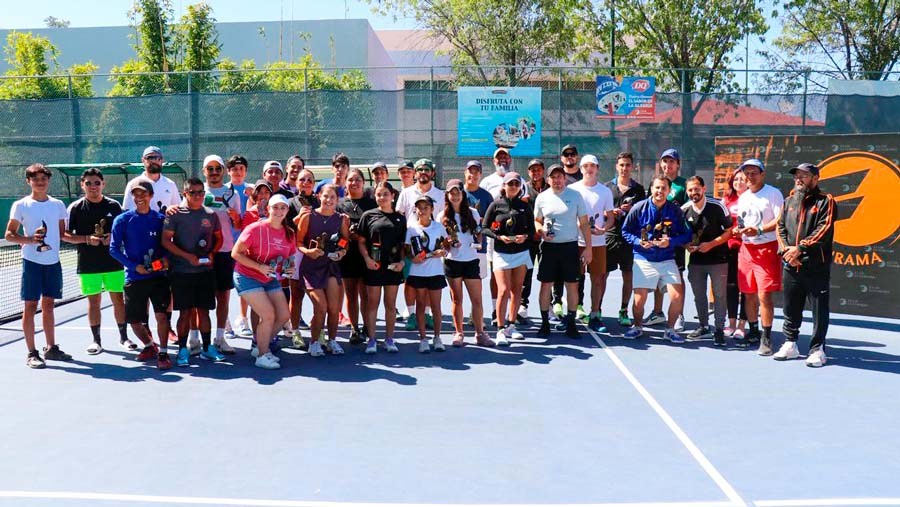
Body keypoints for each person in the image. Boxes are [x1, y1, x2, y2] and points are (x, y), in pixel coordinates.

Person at [6, 164, 72, 368]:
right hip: (31, 262)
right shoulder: (21, 205)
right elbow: (9, 235)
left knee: (49, 305)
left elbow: (62, 234)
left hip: (53, 262)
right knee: (30, 306)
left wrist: (89, 239)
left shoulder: (58, 205)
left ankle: (51, 348)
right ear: (29, 181)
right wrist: (30, 240)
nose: (40, 182)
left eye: (43, 178)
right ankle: (32, 352)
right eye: (35, 179)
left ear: (48, 180)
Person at [63, 168, 132, 354]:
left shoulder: (114, 206)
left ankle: (124, 338)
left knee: (118, 300)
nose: (93, 186)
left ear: (103, 184)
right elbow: (65, 235)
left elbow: (125, 231)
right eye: (88, 183)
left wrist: (113, 238)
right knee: (94, 302)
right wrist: (87, 239)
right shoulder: (75, 208)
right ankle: (96, 341)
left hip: (113, 263)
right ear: (82, 185)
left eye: (96, 183)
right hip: (88, 264)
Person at [775, 163, 835, 367]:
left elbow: (824, 228)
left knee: (819, 310)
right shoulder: (788, 201)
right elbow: (780, 228)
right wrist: (787, 251)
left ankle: (818, 349)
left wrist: (800, 248)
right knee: (790, 307)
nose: (799, 179)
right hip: (791, 265)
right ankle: (790, 344)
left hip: (816, 267)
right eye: (797, 176)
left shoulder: (826, 201)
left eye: (804, 176)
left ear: (815, 179)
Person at [109, 178, 173, 370]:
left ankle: (163, 352)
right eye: (136, 194)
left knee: (162, 316)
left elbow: (169, 246)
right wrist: (134, 266)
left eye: (143, 193)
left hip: (158, 278)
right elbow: (114, 249)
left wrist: (164, 260)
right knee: (134, 320)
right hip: (134, 277)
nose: (139, 197)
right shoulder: (122, 220)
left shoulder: (161, 220)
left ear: (151, 195)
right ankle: (149, 345)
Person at [162, 177, 225, 367]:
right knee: (185, 313)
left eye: (200, 192)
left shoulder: (211, 214)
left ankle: (207, 348)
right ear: (185, 194)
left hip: (205, 272)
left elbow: (219, 239)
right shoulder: (175, 214)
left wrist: (212, 253)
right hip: (181, 272)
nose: (197, 196)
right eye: (193, 192)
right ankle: (183, 350)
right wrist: (187, 256)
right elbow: (165, 241)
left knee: (204, 312)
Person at [620, 176, 692, 342]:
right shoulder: (639, 208)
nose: (660, 191)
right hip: (643, 258)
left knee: (677, 296)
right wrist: (638, 241)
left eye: (664, 188)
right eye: (657, 187)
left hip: (667, 259)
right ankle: (637, 326)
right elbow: (625, 231)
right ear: (651, 189)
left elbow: (687, 234)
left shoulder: (675, 210)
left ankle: (670, 329)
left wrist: (670, 242)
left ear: (669, 191)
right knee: (639, 299)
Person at [231, 194, 297, 369]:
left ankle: (259, 344)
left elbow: (290, 257)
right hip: (247, 276)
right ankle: (262, 355)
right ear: (268, 209)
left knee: (283, 315)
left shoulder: (289, 233)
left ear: (287, 211)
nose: (279, 211)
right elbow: (236, 253)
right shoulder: (255, 228)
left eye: (283, 208)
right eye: (275, 207)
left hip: (270, 278)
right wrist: (259, 267)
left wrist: (290, 268)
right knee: (268, 315)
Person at [733, 158, 784, 355]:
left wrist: (759, 230)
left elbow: (780, 221)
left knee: (764, 295)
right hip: (746, 250)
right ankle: (754, 332)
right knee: (748, 293)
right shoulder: (744, 196)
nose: (750, 177)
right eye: (747, 173)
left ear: (762, 174)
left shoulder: (773, 193)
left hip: (767, 249)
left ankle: (767, 337)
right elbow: (743, 222)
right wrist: (739, 231)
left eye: (754, 173)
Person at [533, 164, 590, 339]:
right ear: (548, 179)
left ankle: (571, 324)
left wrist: (588, 248)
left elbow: (584, 223)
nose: (556, 180)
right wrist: (541, 230)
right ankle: (545, 324)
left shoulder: (576, 196)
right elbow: (537, 220)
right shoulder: (542, 197)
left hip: (570, 247)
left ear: (564, 178)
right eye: (553, 177)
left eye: (559, 176)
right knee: (545, 285)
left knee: (572, 285)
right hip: (549, 248)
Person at [296, 184, 349, 357]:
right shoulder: (308, 217)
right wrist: (308, 251)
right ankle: (314, 343)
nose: (329, 200)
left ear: (337, 199)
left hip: (331, 267)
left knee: (334, 308)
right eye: (325, 196)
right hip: (311, 269)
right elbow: (299, 242)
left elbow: (344, 241)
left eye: (332, 197)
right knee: (321, 307)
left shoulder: (341, 219)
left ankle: (332, 341)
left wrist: (342, 252)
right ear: (319, 196)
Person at [481, 172, 534, 345]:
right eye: (510, 183)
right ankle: (500, 329)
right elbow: (484, 228)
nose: (513, 187)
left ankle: (511, 325)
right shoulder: (496, 205)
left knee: (517, 290)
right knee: (503, 290)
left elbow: (532, 230)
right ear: (504, 185)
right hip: (501, 253)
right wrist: (499, 237)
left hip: (521, 253)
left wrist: (525, 236)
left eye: (516, 184)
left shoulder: (525, 206)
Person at [439, 179, 492, 347]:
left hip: (471, 261)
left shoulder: (473, 213)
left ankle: (480, 333)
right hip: (452, 262)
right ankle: (459, 333)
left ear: (463, 194)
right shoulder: (441, 216)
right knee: (457, 300)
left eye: (458, 193)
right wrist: (448, 243)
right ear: (447, 195)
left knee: (477, 300)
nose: (455, 196)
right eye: (451, 193)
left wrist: (478, 240)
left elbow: (479, 234)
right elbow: (441, 243)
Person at [681, 176, 733, 346]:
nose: (693, 192)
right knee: (699, 296)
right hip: (696, 261)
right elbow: (680, 235)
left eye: (696, 189)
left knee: (719, 295)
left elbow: (729, 231)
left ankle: (719, 330)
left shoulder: (717, 206)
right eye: (690, 190)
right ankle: (703, 326)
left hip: (719, 260)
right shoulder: (684, 210)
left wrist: (710, 245)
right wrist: (686, 246)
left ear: (704, 188)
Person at [396, 158, 445, 330]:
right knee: (410, 281)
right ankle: (411, 315)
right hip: (411, 242)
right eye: (420, 170)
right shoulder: (406, 192)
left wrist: (443, 245)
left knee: (430, 280)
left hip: (433, 244)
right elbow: (399, 216)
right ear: (415, 173)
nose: (423, 173)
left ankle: (427, 314)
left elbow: (443, 219)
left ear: (433, 173)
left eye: (427, 170)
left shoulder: (440, 194)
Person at [357, 181, 406, 354]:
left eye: (385, 194)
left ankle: (389, 339)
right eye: (378, 194)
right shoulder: (368, 216)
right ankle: (371, 339)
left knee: (390, 304)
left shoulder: (400, 218)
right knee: (372, 303)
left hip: (393, 268)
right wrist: (367, 259)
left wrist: (402, 262)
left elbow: (402, 245)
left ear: (392, 196)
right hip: (374, 267)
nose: (382, 197)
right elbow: (361, 241)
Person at [569, 154, 616, 332]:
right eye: (586, 166)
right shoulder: (572, 189)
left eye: (592, 166)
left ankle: (595, 314)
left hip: (598, 243)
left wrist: (603, 229)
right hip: (575, 242)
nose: (589, 169)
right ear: (581, 169)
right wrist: (578, 226)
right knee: (574, 281)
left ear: (597, 169)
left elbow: (610, 218)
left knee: (597, 280)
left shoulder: (605, 191)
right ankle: (571, 315)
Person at [202, 155, 241, 354]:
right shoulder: (197, 191)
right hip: (201, 252)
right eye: (210, 169)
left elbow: (238, 225)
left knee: (223, 297)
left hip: (224, 251)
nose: (214, 172)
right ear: (204, 171)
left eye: (218, 168)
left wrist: (235, 217)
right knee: (200, 299)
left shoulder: (232, 193)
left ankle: (220, 338)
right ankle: (197, 339)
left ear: (223, 171)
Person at [646, 148, 688, 331]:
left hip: (674, 241)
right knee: (657, 275)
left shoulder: (683, 185)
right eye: (665, 161)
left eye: (672, 161)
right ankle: (657, 312)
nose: (668, 165)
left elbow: (688, 211)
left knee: (677, 277)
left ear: (678, 164)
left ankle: (679, 314)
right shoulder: (656, 183)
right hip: (656, 241)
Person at [604, 152, 646, 328]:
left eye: (628, 165)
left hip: (629, 239)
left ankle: (623, 310)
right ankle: (596, 310)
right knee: (602, 275)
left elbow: (643, 214)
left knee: (628, 275)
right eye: (621, 165)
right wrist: (611, 212)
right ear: (617, 166)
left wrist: (631, 210)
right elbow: (600, 212)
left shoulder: (639, 189)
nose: (624, 168)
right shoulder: (607, 187)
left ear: (632, 167)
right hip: (609, 236)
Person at [337, 167, 377, 345]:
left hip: (366, 255)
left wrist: (361, 236)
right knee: (351, 294)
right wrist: (347, 237)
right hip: (347, 255)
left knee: (365, 294)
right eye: (350, 180)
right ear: (345, 183)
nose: (354, 183)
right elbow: (336, 232)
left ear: (364, 182)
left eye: (357, 179)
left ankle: (368, 327)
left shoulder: (372, 203)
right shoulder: (339, 204)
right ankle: (354, 328)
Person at [405, 195, 448, 353]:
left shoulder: (439, 227)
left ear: (431, 210)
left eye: (426, 208)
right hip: (417, 273)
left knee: (436, 307)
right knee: (421, 306)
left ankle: (437, 337)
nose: (422, 211)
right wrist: (413, 258)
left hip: (435, 272)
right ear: (415, 210)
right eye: (419, 208)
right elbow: (407, 250)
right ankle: (423, 339)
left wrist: (443, 252)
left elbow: (447, 245)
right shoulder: (411, 229)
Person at [721, 168, 749, 340]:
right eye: (735, 179)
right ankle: (731, 323)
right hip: (730, 249)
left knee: (746, 287)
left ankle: (741, 325)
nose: (738, 182)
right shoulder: (726, 200)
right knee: (731, 286)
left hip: (749, 249)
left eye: (742, 179)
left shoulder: (753, 199)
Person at [519, 158, 548, 321]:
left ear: (543, 171)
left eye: (538, 169)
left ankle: (549, 305)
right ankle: (523, 304)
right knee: (526, 272)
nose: (536, 172)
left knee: (548, 273)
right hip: (529, 238)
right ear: (528, 172)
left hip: (547, 237)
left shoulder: (550, 187)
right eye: (532, 170)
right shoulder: (524, 188)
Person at [122, 146, 182, 212]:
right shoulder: (133, 184)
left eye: (158, 158)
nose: (154, 161)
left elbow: (177, 208)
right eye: (150, 158)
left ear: (162, 160)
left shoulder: (170, 184)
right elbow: (127, 211)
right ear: (143, 160)